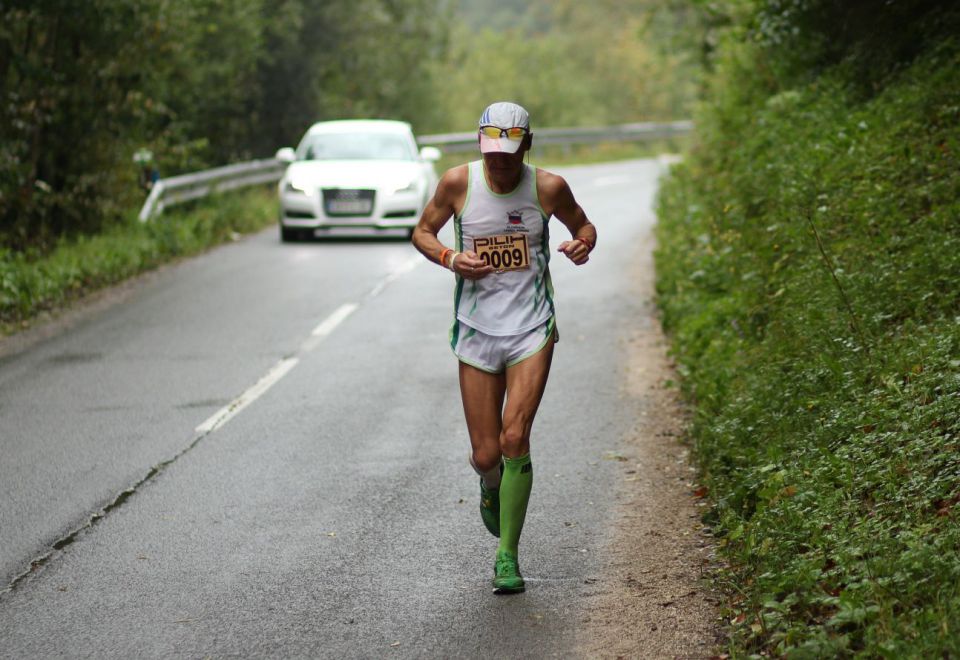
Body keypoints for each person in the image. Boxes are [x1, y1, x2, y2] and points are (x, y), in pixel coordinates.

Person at [412, 101, 597, 594]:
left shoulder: (548, 187)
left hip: (532, 327)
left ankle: (507, 557)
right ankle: (491, 484)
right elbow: (422, 233)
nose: (499, 163)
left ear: (527, 146)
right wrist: (451, 258)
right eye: (491, 153)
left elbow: (583, 225)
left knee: (516, 438)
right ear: (479, 144)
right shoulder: (457, 183)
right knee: (485, 452)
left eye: (509, 155)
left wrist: (583, 243)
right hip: (476, 329)